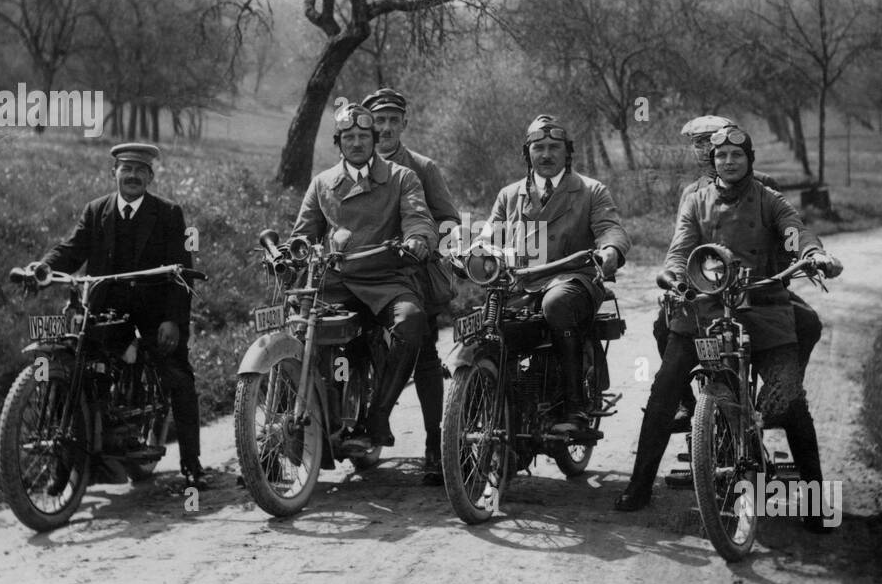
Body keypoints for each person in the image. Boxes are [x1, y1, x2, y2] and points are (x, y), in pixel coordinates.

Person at [615, 117, 843, 531]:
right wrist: (673, 277)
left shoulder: (767, 198)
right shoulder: (695, 200)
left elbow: (795, 232)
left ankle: (813, 502)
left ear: (749, 159)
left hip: (763, 305)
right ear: (712, 162)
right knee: (665, 387)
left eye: (737, 154)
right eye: (721, 155)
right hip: (705, 309)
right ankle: (639, 485)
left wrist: (814, 254)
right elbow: (680, 248)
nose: (728, 161)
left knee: (790, 401)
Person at [37, 143, 208, 489]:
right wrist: (44, 267)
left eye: (140, 170)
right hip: (107, 311)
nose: (132, 176)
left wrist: (172, 320)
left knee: (177, 377)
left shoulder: (169, 213)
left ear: (150, 176)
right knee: (72, 370)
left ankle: (192, 464)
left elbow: (183, 272)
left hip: (154, 312)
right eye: (126, 169)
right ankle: (64, 465)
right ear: (113, 172)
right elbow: (72, 250)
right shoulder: (96, 211)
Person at [655, 116, 825, 432]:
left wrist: (801, 256)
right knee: (663, 326)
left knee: (806, 322)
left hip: (758, 284)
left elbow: (786, 228)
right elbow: (681, 246)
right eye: (699, 143)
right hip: (707, 287)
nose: (707, 149)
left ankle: (778, 392)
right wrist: (676, 279)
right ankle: (685, 403)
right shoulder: (692, 193)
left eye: (712, 141)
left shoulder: (762, 185)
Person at [290, 102, 438, 455]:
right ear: (338, 142)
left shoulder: (402, 177)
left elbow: (419, 217)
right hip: (337, 281)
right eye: (348, 137)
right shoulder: (322, 183)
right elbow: (304, 234)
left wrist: (418, 238)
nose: (356, 143)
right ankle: (297, 425)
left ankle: (377, 418)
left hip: (387, 278)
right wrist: (292, 252)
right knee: (298, 326)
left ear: (374, 140)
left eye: (363, 136)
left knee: (411, 323)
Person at [482, 115, 631, 433]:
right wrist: (474, 255)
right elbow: (488, 239)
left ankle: (574, 408)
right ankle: (487, 404)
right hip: (521, 283)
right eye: (539, 148)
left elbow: (611, 229)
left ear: (567, 153)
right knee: (487, 324)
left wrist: (610, 252)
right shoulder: (509, 195)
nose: (546, 154)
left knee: (557, 304)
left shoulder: (591, 191)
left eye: (554, 147)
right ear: (527, 153)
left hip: (574, 279)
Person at [361, 87, 461, 486]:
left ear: (404, 124)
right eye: (378, 121)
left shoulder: (422, 167)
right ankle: (351, 428)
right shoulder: (353, 164)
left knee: (423, 356)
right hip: (362, 276)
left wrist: (424, 244)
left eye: (392, 121)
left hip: (413, 275)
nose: (385, 128)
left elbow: (450, 221)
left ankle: (435, 446)